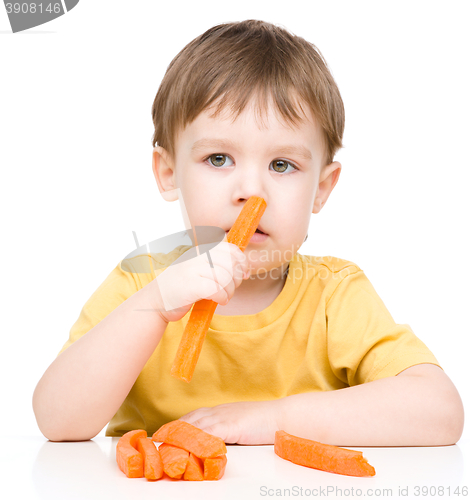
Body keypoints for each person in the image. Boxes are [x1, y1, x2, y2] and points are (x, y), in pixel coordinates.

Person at [33, 20, 464, 446]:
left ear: (322, 188)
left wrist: (267, 420)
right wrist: (157, 306)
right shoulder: (140, 283)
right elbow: (57, 420)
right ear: (168, 173)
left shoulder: (334, 294)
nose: (251, 191)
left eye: (282, 165)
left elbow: (440, 413)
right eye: (219, 159)